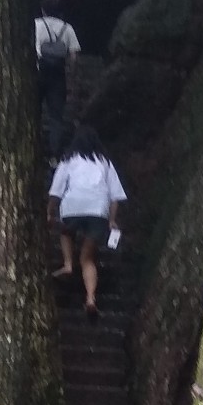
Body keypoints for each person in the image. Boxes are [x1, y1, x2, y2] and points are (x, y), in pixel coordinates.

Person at [48, 125, 125, 321]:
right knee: (88, 259)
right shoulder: (105, 163)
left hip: (73, 206)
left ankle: (67, 264)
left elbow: (56, 192)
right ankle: (90, 299)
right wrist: (112, 220)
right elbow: (115, 196)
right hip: (98, 209)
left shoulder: (68, 161)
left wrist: (50, 213)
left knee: (66, 232)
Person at [35, 0, 80, 161]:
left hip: (38, 73)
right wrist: (72, 78)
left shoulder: (36, 25)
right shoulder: (67, 28)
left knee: (34, 113)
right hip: (58, 76)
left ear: (43, 10)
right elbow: (74, 56)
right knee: (56, 118)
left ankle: (35, 151)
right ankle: (54, 156)